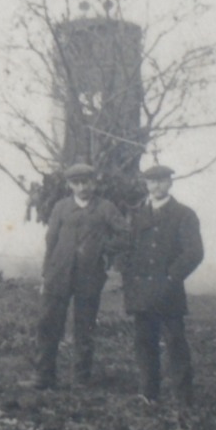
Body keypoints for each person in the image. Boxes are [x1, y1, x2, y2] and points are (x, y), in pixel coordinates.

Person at [33, 163, 126, 389]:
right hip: (59, 273)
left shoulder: (105, 208)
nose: (82, 187)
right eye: (77, 183)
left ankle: (80, 378)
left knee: (85, 327)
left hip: (89, 275)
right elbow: (50, 241)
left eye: (87, 182)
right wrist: (46, 274)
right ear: (69, 185)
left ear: (94, 183)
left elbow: (124, 235)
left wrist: (103, 248)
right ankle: (44, 376)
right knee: (48, 324)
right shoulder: (61, 207)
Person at [120, 164, 204, 405]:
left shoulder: (184, 214)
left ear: (170, 183)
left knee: (175, 342)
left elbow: (194, 252)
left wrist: (171, 277)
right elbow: (126, 248)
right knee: (144, 342)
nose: (156, 186)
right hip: (142, 290)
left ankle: (183, 395)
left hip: (168, 290)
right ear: (146, 184)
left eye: (161, 181)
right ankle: (148, 393)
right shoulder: (137, 215)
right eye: (151, 181)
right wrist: (128, 274)